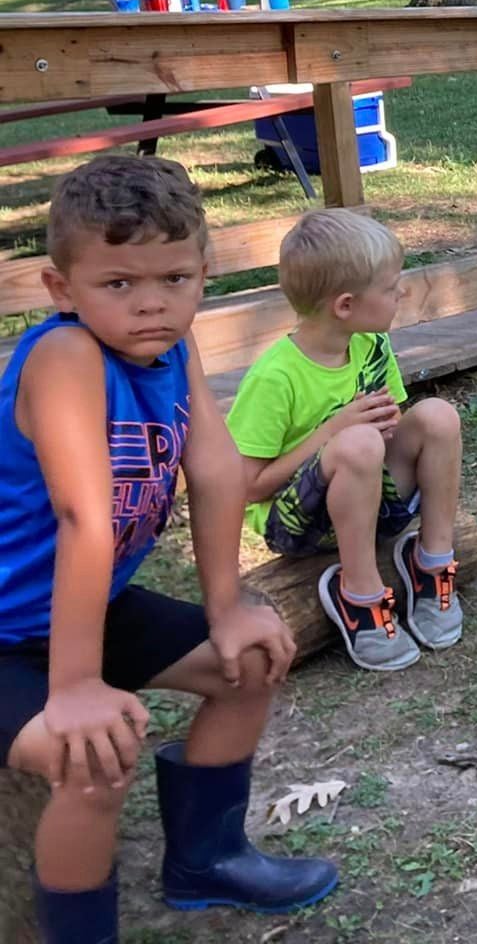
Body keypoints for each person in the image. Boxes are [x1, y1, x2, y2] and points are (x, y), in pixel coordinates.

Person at [1, 156, 336, 940]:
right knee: (92, 760)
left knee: (248, 662)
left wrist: (227, 605)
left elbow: (216, 469)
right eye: (118, 284)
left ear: (204, 274)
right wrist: (76, 687)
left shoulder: (169, 347)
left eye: (175, 280)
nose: (151, 304)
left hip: (85, 607)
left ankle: (206, 860)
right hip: (8, 635)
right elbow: (84, 516)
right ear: (63, 289)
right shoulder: (65, 359)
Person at [228, 210, 466, 674]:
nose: (402, 293)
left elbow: (391, 434)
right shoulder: (275, 377)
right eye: (389, 286)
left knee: (438, 415)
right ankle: (359, 594)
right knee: (356, 443)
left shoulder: (370, 345)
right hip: (299, 524)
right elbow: (248, 488)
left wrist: (377, 431)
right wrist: (331, 432)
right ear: (345, 305)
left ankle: (432, 563)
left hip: (369, 498)